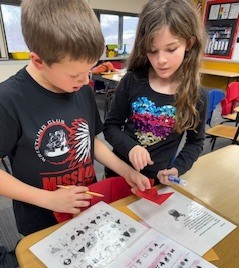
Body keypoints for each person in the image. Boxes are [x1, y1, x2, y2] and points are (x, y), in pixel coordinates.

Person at [0, 0, 151, 239]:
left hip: (85, 203)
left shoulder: (82, 89)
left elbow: (91, 141)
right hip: (41, 216)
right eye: (75, 74)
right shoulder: (8, 99)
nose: (85, 80)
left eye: (89, 70)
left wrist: (126, 171)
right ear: (39, 61)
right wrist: (48, 199)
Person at [103, 0, 208, 186]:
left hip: (154, 182)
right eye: (152, 51)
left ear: (189, 43)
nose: (161, 60)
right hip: (118, 174)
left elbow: (195, 142)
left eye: (171, 49)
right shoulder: (133, 80)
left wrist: (176, 169)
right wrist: (131, 147)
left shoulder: (196, 95)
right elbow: (111, 126)